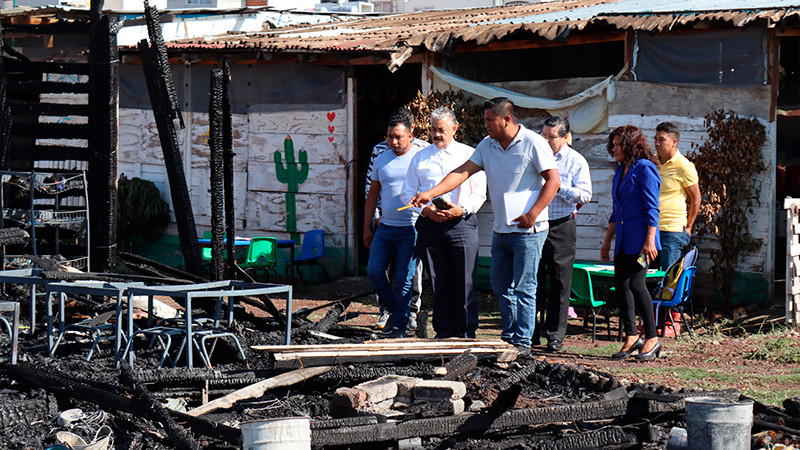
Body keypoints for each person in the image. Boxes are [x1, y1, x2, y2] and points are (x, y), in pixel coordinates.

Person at [409, 97, 560, 357]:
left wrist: (533, 214)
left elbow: (553, 181)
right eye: (485, 120)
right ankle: (508, 337)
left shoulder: (534, 143)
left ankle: (522, 343)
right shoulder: (487, 145)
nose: (486, 125)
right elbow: (462, 172)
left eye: (490, 120)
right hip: (502, 229)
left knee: (524, 286)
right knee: (501, 285)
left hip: (528, 230)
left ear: (507, 120)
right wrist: (430, 193)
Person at [401, 107, 487, 339]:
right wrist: (427, 210)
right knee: (438, 279)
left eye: (442, 130)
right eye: (433, 130)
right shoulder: (419, 157)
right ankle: (443, 330)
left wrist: (461, 210)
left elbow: (480, 193)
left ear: (455, 129)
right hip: (430, 224)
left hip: (462, 222)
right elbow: (406, 193)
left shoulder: (470, 155)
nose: (437, 134)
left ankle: (466, 331)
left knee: (465, 278)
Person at [600, 125, 662, 360]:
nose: (614, 148)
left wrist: (649, 241)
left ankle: (652, 337)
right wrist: (607, 242)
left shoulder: (645, 169)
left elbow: (652, 208)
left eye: (618, 144)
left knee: (637, 284)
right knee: (621, 285)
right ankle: (631, 335)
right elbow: (617, 211)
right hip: (623, 241)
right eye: (613, 144)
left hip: (641, 241)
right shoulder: (620, 171)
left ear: (630, 145)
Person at [365, 109, 428, 332]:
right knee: (374, 270)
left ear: (411, 135)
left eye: (398, 136)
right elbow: (372, 194)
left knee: (404, 279)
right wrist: (367, 227)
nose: (393, 141)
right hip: (385, 227)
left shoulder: (422, 157)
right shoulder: (381, 157)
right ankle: (392, 309)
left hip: (410, 228)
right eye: (390, 136)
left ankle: (400, 327)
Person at [536, 116, 592, 352]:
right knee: (533, 280)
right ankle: (530, 333)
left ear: (565, 137)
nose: (546, 140)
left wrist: (558, 188)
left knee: (560, 282)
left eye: (551, 136)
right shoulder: (535, 156)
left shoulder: (576, 160)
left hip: (561, 225)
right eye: (544, 135)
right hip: (536, 223)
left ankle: (555, 336)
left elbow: (585, 195)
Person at [653, 122, 701, 270]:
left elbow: (696, 198)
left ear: (674, 142)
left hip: (672, 230)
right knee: (647, 275)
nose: (657, 143)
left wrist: (689, 227)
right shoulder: (651, 162)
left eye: (661, 140)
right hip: (651, 228)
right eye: (655, 139)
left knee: (669, 277)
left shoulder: (684, 166)